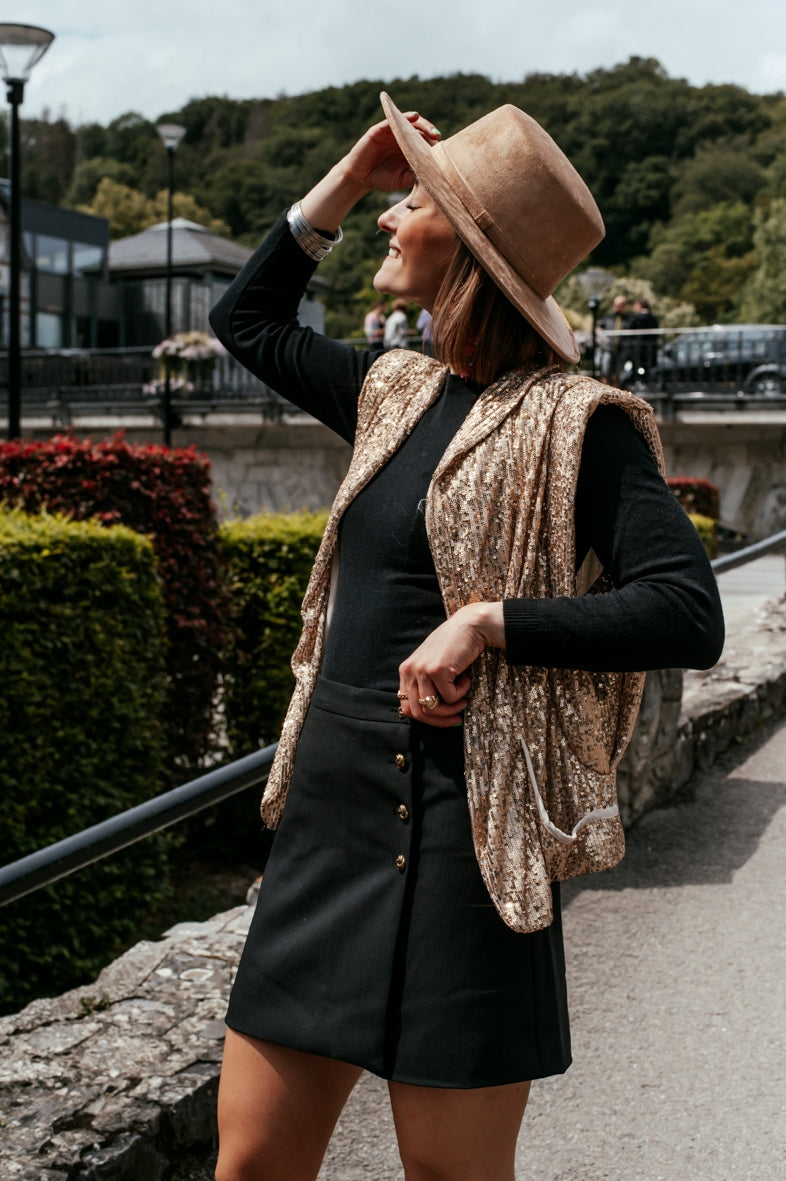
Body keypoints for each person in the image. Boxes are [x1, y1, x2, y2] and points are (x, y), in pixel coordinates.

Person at [209, 93, 724, 1181]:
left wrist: (488, 623)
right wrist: (349, 177)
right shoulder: (392, 391)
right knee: (251, 1163)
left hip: (467, 838)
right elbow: (247, 321)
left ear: (474, 252)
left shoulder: (580, 424)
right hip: (333, 812)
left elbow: (687, 608)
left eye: (418, 202)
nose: (391, 218)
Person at [598, 294, 632, 385]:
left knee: (617, 372)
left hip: (621, 349)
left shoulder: (628, 319)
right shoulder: (607, 317)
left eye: (619, 305)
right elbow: (599, 328)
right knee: (605, 369)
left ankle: (616, 389)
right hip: (608, 348)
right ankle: (604, 388)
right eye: (615, 304)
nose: (616, 307)